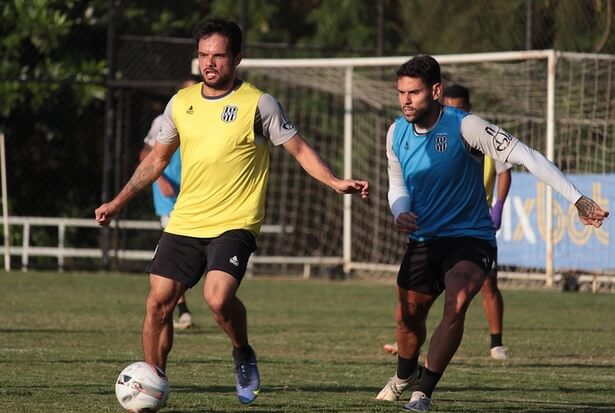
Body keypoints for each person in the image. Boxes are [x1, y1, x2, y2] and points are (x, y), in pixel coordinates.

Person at [95, 17, 368, 405]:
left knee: (217, 298)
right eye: (204, 55)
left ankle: (242, 351)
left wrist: (335, 181)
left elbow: (301, 150)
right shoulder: (181, 103)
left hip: (235, 222)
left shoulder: (259, 105)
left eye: (219, 56)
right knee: (157, 302)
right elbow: (156, 160)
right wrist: (117, 202)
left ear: (237, 58)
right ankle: (153, 384)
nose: (209, 63)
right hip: (186, 221)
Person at [376, 55, 608, 412]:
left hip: (470, 237)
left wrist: (577, 199)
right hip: (424, 240)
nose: (406, 100)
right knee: (407, 318)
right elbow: (396, 185)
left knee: (456, 304)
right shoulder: (396, 133)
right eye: (401, 92)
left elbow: (528, 156)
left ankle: (423, 392)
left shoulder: (466, 126)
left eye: (414, 92)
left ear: (436, 91)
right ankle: (404, 374)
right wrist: (399, 210)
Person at [382, 84, 512, 360]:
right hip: (436, 230)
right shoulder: (425, 135)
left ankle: (496, 342)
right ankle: (407, 349)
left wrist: (498, 206)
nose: (454, 110)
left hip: (475, 225)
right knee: (414, 302)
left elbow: (504, 171)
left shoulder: (476, 132)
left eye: (460, 106)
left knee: (486, 284)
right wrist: (401, 209)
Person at [139, 77, 199, 330]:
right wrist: (161, 179)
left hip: (199, 193)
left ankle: (177, 303)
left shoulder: (213, 117)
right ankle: (179, 307)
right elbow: (146, 154)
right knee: (175, 252)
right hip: (170, 195)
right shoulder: (165, 118)